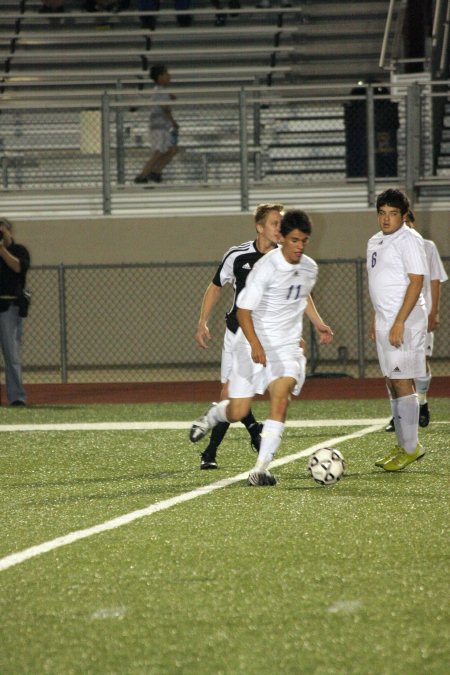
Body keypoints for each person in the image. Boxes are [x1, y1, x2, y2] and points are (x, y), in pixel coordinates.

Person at [190, 209, 334, 486]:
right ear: (281, 237)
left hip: (287, 347)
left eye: (304, 240)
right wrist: (255, 344)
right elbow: (243, 312)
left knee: (280, 399)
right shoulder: (265, 267)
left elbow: (300, 298)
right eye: (294, 240)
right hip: (251, 341)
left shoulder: (310, 268)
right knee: (237, 411)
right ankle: (214, 415)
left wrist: (317, 324)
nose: (300, 247)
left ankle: (260, 469)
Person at [194, 203, 283, 469]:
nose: (280, 228)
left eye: (282, 223)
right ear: (260, 227)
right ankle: (250, 432)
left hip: (262, 337)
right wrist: (202, 322)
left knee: (234, 395)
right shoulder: (237, 255)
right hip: (235, 332)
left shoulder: (285, 258)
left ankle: (213, 451)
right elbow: (215, 286)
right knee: (229, 394)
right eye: (275, 223)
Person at [367, 189, 429, 472]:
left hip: (405, 321)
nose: (386, 219)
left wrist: (400, 321)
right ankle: (402, 444)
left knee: (403, 381)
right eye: (382, 213)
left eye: (393, 214)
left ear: (403, 216)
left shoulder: (410, 240)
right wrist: (376, 317)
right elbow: (381, 282)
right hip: (385, 319)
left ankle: (411, 447)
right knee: (391, 381)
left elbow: (416, 282)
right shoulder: (375, 241)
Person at [385, 209, 448, 432]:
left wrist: (434, 312)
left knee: (419, 361)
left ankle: (421, 402)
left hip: (420, 314)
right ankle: (402, 415)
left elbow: (435, 280)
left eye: (407, 222)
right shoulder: (387, 246)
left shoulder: (426, 246)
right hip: (396, 316)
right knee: (398, 366)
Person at [0, 218, 31, 407]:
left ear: (10, 231)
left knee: (11, 355)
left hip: (9, 308)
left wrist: (1, 249)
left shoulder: (19, 251)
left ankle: (17, 396)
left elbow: (18, 267)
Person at [134, 63, 179, 185]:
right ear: (160, 77)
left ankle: (156, 172)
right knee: (159, 152)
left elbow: (160, 100)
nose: (169, 76)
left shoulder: (161, 91)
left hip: (163, 127)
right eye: (166, 73)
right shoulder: (160, 92)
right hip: (158, 127)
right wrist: (173, 122)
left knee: (172, 149)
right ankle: (142, 176)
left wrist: (169, 96)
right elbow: (165, 108)